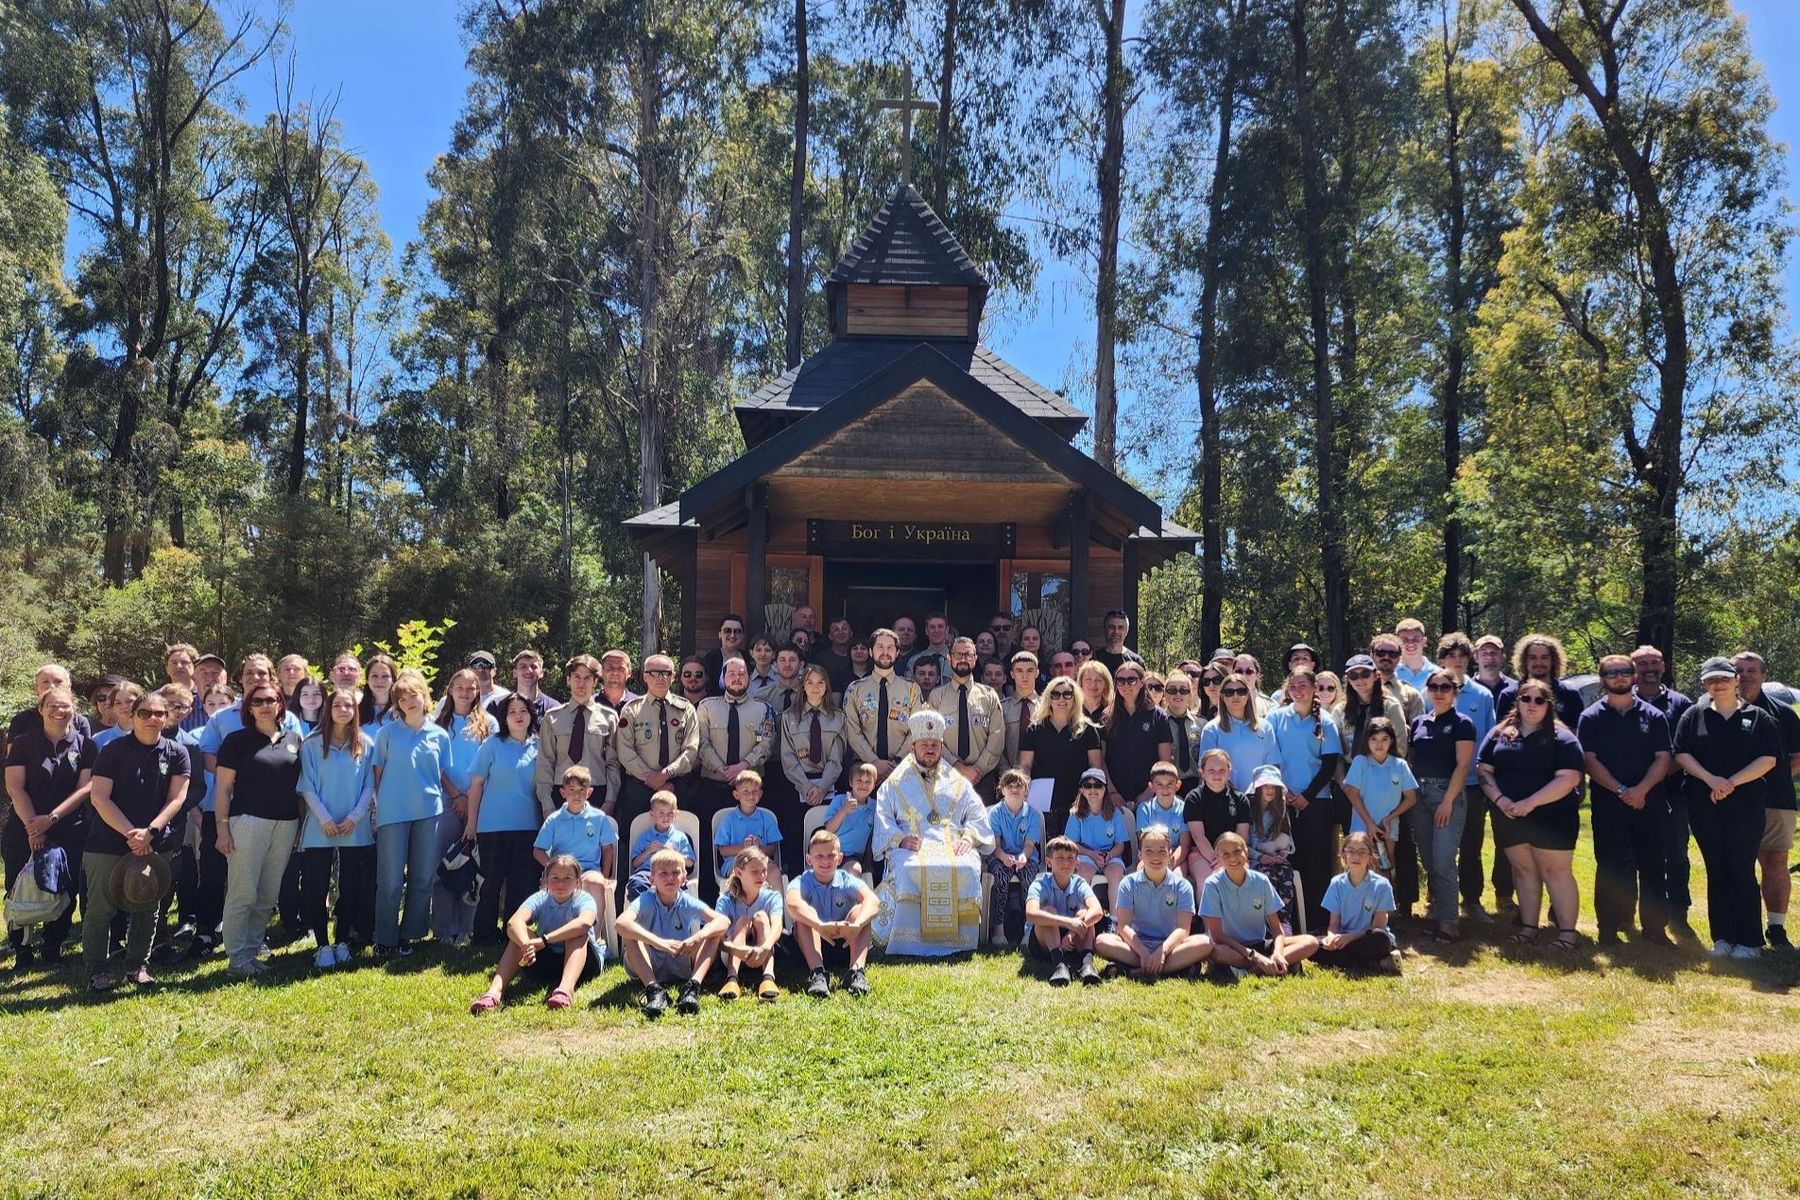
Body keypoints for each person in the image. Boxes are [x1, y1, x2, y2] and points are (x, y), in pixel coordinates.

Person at [83, 689, 190, 991]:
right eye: (145, 713)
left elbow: (177, 797)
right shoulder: (113, 751)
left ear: (166, 717)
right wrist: (133, 832)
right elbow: (99, 798)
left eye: (159, 713)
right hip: (107, 841)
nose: (152, 719)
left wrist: (151, 832)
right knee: (100, 909)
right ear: (132, 716)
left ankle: (137, 966)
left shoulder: (176, 752)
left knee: (147, 904)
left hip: (155, 842)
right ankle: (97, 970)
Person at [1674, 658, 1781, 959]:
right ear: (1704, 683)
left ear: (1735, 680)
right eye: (1711, 679)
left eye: (1723, 678)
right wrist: (1710, 780)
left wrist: (1730, 783)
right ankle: (1722, 937)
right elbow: (1682, 753)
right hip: (1704, 804)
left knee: (1741, 868)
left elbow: (1768, 759)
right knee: (1716, 869)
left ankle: (1749, 941)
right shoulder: (1693, 715)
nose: (1717, 684)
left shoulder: (1758, 717)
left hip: (1745, 806)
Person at [872, 709, 995, 956]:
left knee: (967, 867)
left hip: (952, 842)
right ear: (912, 747)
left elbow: (977, 813)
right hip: (911, 844)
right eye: (924, 744)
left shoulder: (957, 780)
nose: (930, 749)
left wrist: (969, 837)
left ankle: (960, 943)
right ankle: (908, 942)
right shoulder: (894, 783)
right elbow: (883, 816)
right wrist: (899, 839)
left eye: (935, 744)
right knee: (908, 870)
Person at [1477, 678, 1586, 950]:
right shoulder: (1500, 733)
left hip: (1552, 818)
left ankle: (1568, 934)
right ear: (1518, 702)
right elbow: (1483, 769)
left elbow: (1570, 778)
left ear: (1549, 704)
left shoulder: (1563, 736)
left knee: (1556, 872)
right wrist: (1500, 800)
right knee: (1524, 871)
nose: (1532, 705)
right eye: (1526, 699)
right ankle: (1528, 927)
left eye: (1540, 700)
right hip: (1509, 815)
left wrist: (1531, 802)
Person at [1577, 654, 1674, 946]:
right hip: (1609, 804)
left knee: (1653, 866)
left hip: (1650, 802)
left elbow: (1663, 758)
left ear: (1633, 677)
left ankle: (1655, 929)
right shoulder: (1590, 717)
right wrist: (1621, 790)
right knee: (1610, 865)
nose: (1619, 677)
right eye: (1612, 672)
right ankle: (1608, 928)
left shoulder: (1654, 716)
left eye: (1624, 672)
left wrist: (1641, 790)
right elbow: (1589, 760)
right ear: (1602, 679)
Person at [214, 681, 305, 978]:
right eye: (258, 701)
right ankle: (236, 958)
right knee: (243, 892)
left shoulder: (294, 739)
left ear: (281, 704)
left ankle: (252, 952)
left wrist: (300, 827)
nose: (265, 705)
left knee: (267, 893)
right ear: (248, 708)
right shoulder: (236, 741)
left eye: (272, 700)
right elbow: (223, 789)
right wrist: (222, 829)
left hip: (286, 824)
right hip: (247, 823)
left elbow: (300, 788)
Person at [4, 685, 94, 967]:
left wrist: (51, 819)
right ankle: (22, 949)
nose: (59, 711)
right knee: (19, 886)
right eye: (52, 706)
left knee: (65, 887)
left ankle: (53, 946)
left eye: (65, 706)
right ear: (40, 709)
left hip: (69, 827)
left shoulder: (86, 745)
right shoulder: (22, 743)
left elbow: (84, 789)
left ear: (74, 710)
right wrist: (34, 826)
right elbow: (15, 787)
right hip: (23, 825)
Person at [369, 670, 453, 956]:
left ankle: (410, 935)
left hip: (429, 813)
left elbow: (439, 773)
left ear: (425, 696)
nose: (408, 702)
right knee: (391, 881)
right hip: (392, 814)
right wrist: (380, 806)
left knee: (421, 877)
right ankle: (385, 938)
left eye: (413, 695)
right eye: (402, 699)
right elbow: (376, 775)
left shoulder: (439, 735)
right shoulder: (386, 733)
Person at [297, 689, 377, 966]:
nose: (343, 710)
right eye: (338, 705)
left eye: (349, 705)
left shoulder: (365, 744)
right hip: (321, 827)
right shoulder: (311, 744)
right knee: (316, 888)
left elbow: (369, 784)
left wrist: (355, 817)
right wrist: (324, 819)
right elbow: (306, 785)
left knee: (349, 888)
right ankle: (322, 945)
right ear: (328, 709)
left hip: (354, 828)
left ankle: (342, 940)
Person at [468, 854, 601, 1014]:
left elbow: (584, 923)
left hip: (584, 963)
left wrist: (545, 940)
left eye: (567, 878)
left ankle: (565, 991)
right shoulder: (540, 898)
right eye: (555, 878)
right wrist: (526, 944)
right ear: (546, 880)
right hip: (544, 960)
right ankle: (494, 993)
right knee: (518, 935)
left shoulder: (584, 899)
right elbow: (513, 923)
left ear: (577, 882)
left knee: (577, 934)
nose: (561, 883)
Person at [1265, 669, 1344, 932]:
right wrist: (1285, 792)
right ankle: (1293, 921)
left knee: (1317, 863)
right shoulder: (1275, 718)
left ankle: (1318, 921)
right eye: (1293, 685)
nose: (1298, 690)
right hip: (1282, 801)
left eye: (1303, 685)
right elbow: (1271, 757)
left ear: (1313, 689)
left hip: (1317, 802)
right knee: (1288, 861)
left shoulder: (1325, 721)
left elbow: (1329, 763)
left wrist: (1307, 797)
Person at [464, 694, 544, 944]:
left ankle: (513, 934)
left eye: (523, 710)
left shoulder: (540, 747)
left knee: (522, 884)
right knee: (491, 883)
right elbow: (475, 785)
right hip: (492, 827)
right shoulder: (491, 745)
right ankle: (484, 934)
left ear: (531, 715)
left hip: (528, 826)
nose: (518, 715)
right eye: (512, 712)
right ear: (504, 718)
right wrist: (471, 823)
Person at [1733, 652, 1800, 949]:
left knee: (1775, 860)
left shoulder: (1783, 712)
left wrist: (1774, 774)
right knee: (1735, 863)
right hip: (1729, 800)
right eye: (1739, 670)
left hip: (1776, 798)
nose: (1746, 675)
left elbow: (1798, 756)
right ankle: (1738, 926)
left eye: (1752, 670)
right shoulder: (1714, 709)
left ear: (1763, 675)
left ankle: (1776, 928)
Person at [1630, 643, 1696, 939]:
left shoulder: (1682, 704)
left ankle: (1678, 913)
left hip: (1673, 792)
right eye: (1642, 664)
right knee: (1631, 854)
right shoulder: (1620, 702)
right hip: (1630, 794)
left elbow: (1686, 749)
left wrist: (1653, 780)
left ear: (1663, 667)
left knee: (1676, 855)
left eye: (1654, 663)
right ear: (1634, 670)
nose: (1649, 669)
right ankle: (1626, 914)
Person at [1435, 633, 1500, 926]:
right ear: (1442, 660)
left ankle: (1471, 900)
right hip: (1439, 782)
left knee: (1472, 845)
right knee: (1441, 846)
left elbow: (1490, 738)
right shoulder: (1434, 690)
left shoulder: (1482, 696)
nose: (1457, 661)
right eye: (1451, 656)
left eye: (1462, 655)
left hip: (1472, 784)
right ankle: (1439, 898)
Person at [1408, 670, 1477, 943]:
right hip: (1419, 795)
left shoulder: (1463, 723)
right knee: (1428, 859)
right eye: (1434, 686)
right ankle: (1437, 915)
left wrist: (1448, 800)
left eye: (1445, 687)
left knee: (1444, 860)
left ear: (1455, 691)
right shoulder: (1419, 722)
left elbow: (1463, 765)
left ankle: (1449, 924)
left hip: (1446, 793)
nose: (1439, 691)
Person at [695, 657, 772, 901]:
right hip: (714, 786)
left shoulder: (762, 709)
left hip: (751, 791)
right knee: (713, 845)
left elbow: (766, 742)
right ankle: (711, 899)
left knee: (752, 844)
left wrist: (743, 766)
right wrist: (723, 769)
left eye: (742, 674)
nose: (737, 678)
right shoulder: (707, 707)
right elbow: (702, 743)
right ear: (722, 678)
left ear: (749, 678)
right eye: (731, 674)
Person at [1094, 826, 1211, 979]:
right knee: (1102, 941)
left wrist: (1162, 951)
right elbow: (1124, 926)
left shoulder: (1182, 886)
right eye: (1149, 851)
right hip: (1136, 945)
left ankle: (1135, 971)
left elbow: (1183, 929)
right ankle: (1172, 968)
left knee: (1206, 942)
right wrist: (1143, 953)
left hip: (1170, 946)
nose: (1155, 857)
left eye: (1162, 851)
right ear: (1140, 854)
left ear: (1170, 854)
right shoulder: (1128, 883)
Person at [613, 654, 700, 858]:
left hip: (677, 786)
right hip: (640, 787)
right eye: (654, 673)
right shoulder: (631, 710)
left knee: (678, 846)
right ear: (645, 677)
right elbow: (625, 751)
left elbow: (692, 749)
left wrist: (667, 774)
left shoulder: (686, 709)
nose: (660, 678)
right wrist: (652, 779)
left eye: (665, 673)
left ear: (673, 677)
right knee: (634, 842)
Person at [1198, 832, 1319, 977]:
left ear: (1246, 851)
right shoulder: (1212, 885)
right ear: (1218, 858)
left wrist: (1278, 953)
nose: (1233, 858)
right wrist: (1253, 955)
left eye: (1237, 851)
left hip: (1260, 944)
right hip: (1232, 948)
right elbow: (1217, 935)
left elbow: (1276, 927)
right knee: (1215, 951)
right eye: (1225, 854)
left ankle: (1254, 970)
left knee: (1311, 942)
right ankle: (1270, 966)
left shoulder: (1261, 881)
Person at [431, 668, 493, 945]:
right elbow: (436, 764)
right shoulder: (438, 723)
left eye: (471, 688)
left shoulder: (488, 723)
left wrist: (470, 798)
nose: (466, 693)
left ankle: (466, 928)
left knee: (471, 865)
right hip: (446, 801)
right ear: (450, 690)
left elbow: (490, 763)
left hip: (477, 802)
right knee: (443, 863)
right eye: (460, 687)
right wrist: (456, 796)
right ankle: (444, 929)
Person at [785, 829, 879, 998]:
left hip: (845, 943)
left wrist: (856, 925)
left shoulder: (846, 879)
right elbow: (792, 903)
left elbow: (873, 901)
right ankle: (818, 974)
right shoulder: (802, 881)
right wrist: (818, 925)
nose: (825, 861)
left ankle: (856, 972)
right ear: (809, 860)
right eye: (819, 856)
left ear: (840, 858)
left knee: (861, 911)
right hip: (811, 946)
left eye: (830, 855)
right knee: (805, 915)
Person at [778, 664, 846, 877]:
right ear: (803, 687)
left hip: (829, 786)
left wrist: (823, 787)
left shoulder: (838, 717)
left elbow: (837, 758)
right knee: (797, 840)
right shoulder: (789, 717)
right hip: (799, 785)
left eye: (820, 682)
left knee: (826, 842)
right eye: (810, 682)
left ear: (826, 686)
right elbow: (787, 757)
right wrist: (807, 787)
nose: (815, 688)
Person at [536, 654, 621, 818]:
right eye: (576, 677)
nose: (581, 683)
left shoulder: (608, 717)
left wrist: (610, 800)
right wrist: (547, 804)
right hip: (561, 791)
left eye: (587, 678)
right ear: (568, 680)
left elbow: (613, 763)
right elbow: (545, 763)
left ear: (595, 682)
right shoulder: (553, 717)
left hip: (597, 791)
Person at [1017, 677, 1105, 837]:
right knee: (1046, 853)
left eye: (1067, 694)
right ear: (1048, 698)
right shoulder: (1034, 729)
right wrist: (1022, 788)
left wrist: (1090, 796)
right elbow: (1025, 766)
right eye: (1055, 694)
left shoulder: (1088, 730)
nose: (1061, 699)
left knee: (1074, 853)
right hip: (1042, 802)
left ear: (1075, 697)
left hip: (1078, 802)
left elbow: (1095, 767)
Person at [532, 765, 618, 917]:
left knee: (596, 883)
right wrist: (553, 868)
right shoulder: (554, 819)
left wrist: (605, 875)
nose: (576, 795)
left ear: (589, 792)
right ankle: (553, 934)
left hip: (589, 870)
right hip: (561, 871)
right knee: (551, 884)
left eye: (581, 790)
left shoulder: (599, 817)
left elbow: (607, 849)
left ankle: (594, 937)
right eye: (571, 790)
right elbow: (538, 851)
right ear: (563, 792)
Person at [1024, 835, 1106, 985]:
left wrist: (1072, 932)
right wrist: (1068, 922)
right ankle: (1059, 965)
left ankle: (1087, 964)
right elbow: (1031, 913)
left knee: (1084, 913)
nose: (1065, 862)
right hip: (1043, 943)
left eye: (1070, 858)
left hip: (1072, 941)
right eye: (1060, 858)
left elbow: (1097, 910)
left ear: (1077, 863)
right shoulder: (1040, 883)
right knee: (1048, 910)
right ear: (1049, 862)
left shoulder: (1079, 883)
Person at [844, 629, 923, 785]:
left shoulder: (912, 689)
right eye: (880, 647)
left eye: (890, 648)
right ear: (871, 652)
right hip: (865, 771)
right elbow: (852, 731)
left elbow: (917, 728)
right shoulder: (855, 689)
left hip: (902, 769)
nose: (885, 652)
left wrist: (896, 763)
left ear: (897, 652)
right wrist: (874, 762)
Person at [930, 637, 1005, 800]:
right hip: (946, 775)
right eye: (958, 655)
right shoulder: (936, 697)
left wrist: (977, 770)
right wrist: (957, 767)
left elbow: (997, 738)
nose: (963, 659)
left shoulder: (989, 696)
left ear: (975, 659)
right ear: (949, 658)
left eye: (968, 655)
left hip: (982, 779)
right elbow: (932, 737)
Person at [1315, 832, 1401, 972]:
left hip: (1366, 937)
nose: (1356, 857)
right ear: (1343, 855)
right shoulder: (1336, 883)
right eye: (1351, 852)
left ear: (1370, 856)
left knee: (1380, 939)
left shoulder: (1382, 885)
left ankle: (1345, 959)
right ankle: (1367, 961)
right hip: (1342, 939)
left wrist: (1350, 937)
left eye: (1362, 852)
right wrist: (1332, 938)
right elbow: (1334, 924)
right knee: (1313, 944)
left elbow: (1377, 926)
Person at [1342, 718, 1418, 878]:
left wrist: (1390, 817)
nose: (1379, 744)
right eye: (1374, 739)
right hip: (1361, 826)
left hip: (1387, 828)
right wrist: (1369, 823)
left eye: (1384, 739)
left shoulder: (1399, 765)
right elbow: (1352, 794)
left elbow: (1411, 798)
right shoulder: (1360, 762)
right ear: (1367, 740)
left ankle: (1385, 901)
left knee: (1385, 866)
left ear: (1391, 740)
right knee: (1359, 867)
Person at [714, 845, 783, 1001]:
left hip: (763, 951)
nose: (761, 876)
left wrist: (765, 947)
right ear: (739, 872)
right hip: (733, 953)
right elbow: (719, 938)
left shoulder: (772, 896)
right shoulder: (726, 900)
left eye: (764, 871)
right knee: (743, 921)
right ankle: (732, 978)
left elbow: (778, 925)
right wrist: (736, 949)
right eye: (754, 872)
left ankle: (768, 977)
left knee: (761, 917)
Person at [984, 767, 1043, 945]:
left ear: (1026, 791)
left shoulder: (1033, 815)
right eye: (1010, 786)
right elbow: (995, 844)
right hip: (1000, 854)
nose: (1014, 790)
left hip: (1026, 856)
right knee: (1000, 877)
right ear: (1002, 790)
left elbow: (1029, 845)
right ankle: (998, 929)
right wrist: (1004, 858)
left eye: (1019, 786)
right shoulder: (995, 813)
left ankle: (1030, 930)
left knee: (1029, 880)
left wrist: (1023, 857)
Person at [1104, 664, 1172, 812]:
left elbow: (1164, 761)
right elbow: (1100, 760)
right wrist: (1112, 792)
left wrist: (1149, 791)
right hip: (1114, 798)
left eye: (1131, 680)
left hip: (1150, 797)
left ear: (1142, 682)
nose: (1126, 685)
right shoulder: (1107, 716)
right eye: (1120, 680)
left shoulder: (1158, 716)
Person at [1182, 749, 1251, 889]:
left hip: (1234, 853)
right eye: (1211, 770)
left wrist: (1229, 857)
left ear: (1229, 772)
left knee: (1242, 880)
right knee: (1208, 882)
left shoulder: (1240, 799)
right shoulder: (1194, 798)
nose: (1217, 775)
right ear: (1202, 772)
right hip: (1201, 853)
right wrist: (1217, 861)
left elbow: (1241, 838)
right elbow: (1198, 837)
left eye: (1222, 770)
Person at [1200, 673, 1278, 792]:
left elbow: (1272, 767)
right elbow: (1206, 771)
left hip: (1259, 798)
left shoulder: (1265, 727)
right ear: (1222, 697)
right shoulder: (1211, 730)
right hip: (1224, 798)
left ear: (1248, 695)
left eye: (1241, 691)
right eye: (1229, 692)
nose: (1235, 696)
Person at [1495, 634, 1585, 730]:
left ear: (1553, 660)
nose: (1539, 662)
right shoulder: (1509, 695)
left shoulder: (1570, 695)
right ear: (1524, 661)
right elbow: (1500, 734)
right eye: (1533, 658)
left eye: (1544, 657)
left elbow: (1579, 734)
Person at [714, 770, 783, 892]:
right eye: (746, 791)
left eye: (755, 791)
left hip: (761, 859)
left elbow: (773, 847)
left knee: (775, 873)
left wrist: (759, 849)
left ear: (760, 794)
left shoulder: (767, 818)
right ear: (736, 795)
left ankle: (777, 910)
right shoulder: (728, 820)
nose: (751, 795)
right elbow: (723, 850)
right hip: (735, 862)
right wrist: (743, 848)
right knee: (747, 873)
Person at [625, 789, 696, 901]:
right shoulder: (645, 836)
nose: (666, 817)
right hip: (648, 872)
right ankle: (644, 914)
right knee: (636, 884)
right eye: (661, 813)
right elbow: (635, 863)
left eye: (670, 814)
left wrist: (673, 853)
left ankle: (673, 915)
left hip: (672, 872)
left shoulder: (680, 837)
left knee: (681, 887)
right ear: (652, 814)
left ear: (676, 814)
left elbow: (690, 863)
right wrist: (648, 851)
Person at [1066, 767, 1127, 897]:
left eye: (1098, 785)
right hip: (1085, 855)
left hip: (1111, 856)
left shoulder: (1115, 814)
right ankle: (1082, 914)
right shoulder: (1075, 814)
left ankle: (1114, 917)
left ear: (1105, 789)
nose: (1093, 790)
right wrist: (1092, 854)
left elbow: (1120, 845)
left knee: (1116, 873)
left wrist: (1109, 855)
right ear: (1082, 790)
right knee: (1083, 872)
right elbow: (1071, 844)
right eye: (1088, 786)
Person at [820, 761, 877, 876]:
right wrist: (844, 810)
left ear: (873, 785)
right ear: (851, 782)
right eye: (859, 781)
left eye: (868, 782)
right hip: (831, 852)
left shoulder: (875, 807)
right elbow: (829, 829)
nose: (863, 785)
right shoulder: (840, 800)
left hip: (853, 857)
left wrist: (869, 863)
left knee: (854, 870)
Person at [1136, 761, 1191, 878]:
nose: (1165, 789)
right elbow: (1144, 843)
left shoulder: (1184, 809)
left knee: (1176, 877)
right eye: (1159, 784)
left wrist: (1169, 864)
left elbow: (1184, 846)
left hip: (1175, 857)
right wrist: (1158, 862)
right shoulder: (1144, 809)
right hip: (1151, 854)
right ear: (1151, 786)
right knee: (1141, 872)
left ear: (1178, 785)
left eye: (1170, 784)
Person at [1162, 669, 1204, 791]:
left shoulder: (1202, 725)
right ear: (1165, 694)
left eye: (1184, 690)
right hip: (1167, 786)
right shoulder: (1158, 723)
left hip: (1197, 784)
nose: (1178, 694)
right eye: (1172, 690)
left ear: (1191, 694)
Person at [494, 649, 558, 721]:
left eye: (534, 667)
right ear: (514, 673)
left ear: (541, 673)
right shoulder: (497, 706)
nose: (528, 671)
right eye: (523, 666)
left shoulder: (554, 708)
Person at [700, 614, 748, 695]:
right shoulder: (710, 659)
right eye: (727, 631)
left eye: (737, 631)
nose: (732, 635)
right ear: (719, 634)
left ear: (742, 635)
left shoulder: (749, 659)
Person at [1093, 609, 1145, 678]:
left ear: (1127, 631)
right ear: (1105, 629)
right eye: (1112, 627)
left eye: (1120, 627)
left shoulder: (1136, 661)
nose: (1116, 631)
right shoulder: (1095, 658)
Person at [814, 617, 856, 695]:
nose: (841, 632)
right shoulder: (821, 659)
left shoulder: (858, 657)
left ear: (851, 633)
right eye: (836, 630)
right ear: (830, 636)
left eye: (844, 629)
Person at [1393, 619, 1436, 693]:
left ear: (1424, 641)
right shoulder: (1389, 673)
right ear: (1397, 642)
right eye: (1404, 639)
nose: (1410, 643)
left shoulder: (1437, 674)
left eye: (1416, 639)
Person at [359, 654, 399, 728]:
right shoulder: (357, 711)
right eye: (374, 676)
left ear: (393, 680)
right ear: (367, 680)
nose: (379, 681)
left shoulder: (402, 710)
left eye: (385, 676)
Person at [596, 648, 639, 716]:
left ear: (629, 672)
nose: (615, 672)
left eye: (621, 669)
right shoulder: (590, 704)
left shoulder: (639, 705)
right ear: (602, 671)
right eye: (610, 668)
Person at [1473, 635, 1517, 700]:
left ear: (1502, 657)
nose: (1489, 657)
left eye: (1494, 652)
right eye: (1484, 653)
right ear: (1476, 657)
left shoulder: (1515, 688)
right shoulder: (1467, 689)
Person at [1076, 659, 1114, 731]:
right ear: (1081, 683)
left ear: (1106, 684)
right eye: (1088, 679)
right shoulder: (1074, 709)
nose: (1093, 684)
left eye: (1098, 680)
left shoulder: (1112, 711)